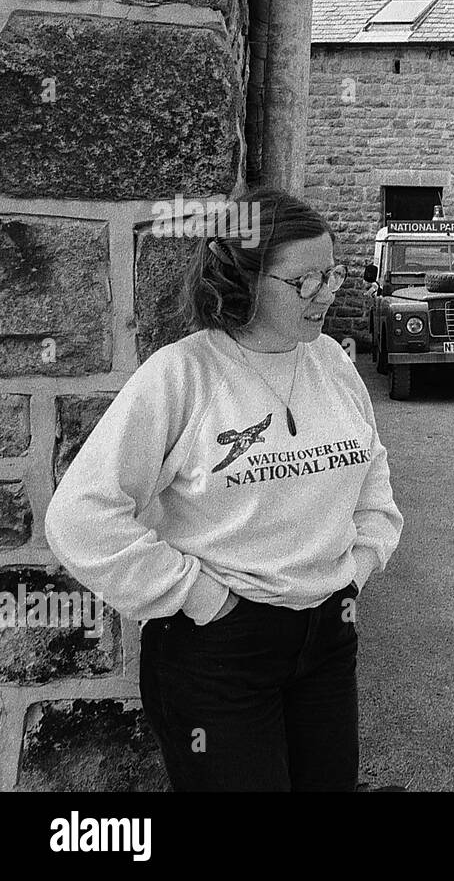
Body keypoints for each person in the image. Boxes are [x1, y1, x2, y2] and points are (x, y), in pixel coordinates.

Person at [43, 188, 404, 791]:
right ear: (244, 281)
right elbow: (81, 517)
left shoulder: (334, 364)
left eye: (332, 273)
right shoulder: (181, 375)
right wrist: (202, 598)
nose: (328, 293)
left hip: (326, 640)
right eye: (305, 281)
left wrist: (356, 568)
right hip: (217, 652)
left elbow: (372, 478)